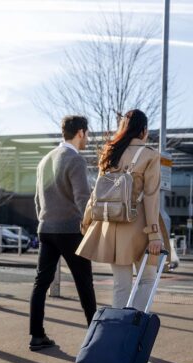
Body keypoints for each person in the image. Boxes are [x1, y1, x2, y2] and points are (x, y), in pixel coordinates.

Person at [78, 109, 170, 312]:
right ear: (144, 130)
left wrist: (86, 222)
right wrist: (154, 234)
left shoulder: (109, 152)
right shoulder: (149, 155)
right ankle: (133, 327)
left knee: (121, 286)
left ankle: (118, 333)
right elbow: (151, 196)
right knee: (146, 279)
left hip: (111, 226)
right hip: (139, 226)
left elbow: (97, 192)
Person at [28, 115, 97, 351]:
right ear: (80, 132)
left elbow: (37, 199)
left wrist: (45, 221)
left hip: (46, 229)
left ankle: (37, 335)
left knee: (41, 282)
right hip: (70, 230)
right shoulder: (75, 160)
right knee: (84, 283)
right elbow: (83, 199)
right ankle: (95, 339)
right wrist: (90, 226)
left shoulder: (44, 161)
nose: (87, 138)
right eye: (87, 134)